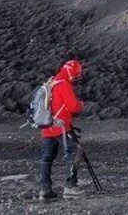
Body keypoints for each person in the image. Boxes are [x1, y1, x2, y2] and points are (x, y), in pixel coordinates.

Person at [38, 60, 85, 202]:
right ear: (72, 72)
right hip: (62, 128)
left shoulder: (51, 82)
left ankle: (44, 189)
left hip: (47, 127)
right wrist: (81, 105)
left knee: (47, 157)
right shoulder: (64, 85)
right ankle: (70, 186)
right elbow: (73, 107)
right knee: (75, 152)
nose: (77, 78)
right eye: (77, 75)